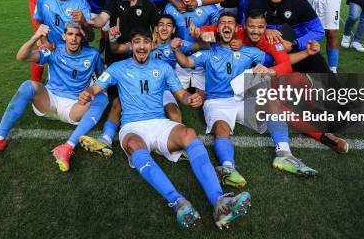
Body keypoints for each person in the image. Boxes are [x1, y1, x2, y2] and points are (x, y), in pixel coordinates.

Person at [79, 28, 251, 229]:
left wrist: (190, 98)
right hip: (132, 127)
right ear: (131, 46)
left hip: (160, 123)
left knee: (189, 133)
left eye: (145, 41)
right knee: (134, 144)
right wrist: (88, 93)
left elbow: (181, 94)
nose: (141, 46)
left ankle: (219, 201)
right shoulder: (118, 67)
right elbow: (96, 87)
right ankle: (178, 202)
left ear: (152, 45)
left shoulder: (163, 68)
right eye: (136, 41)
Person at [174, 13, 318, 187]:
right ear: (218, 29)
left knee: (271, 101)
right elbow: (185, 62)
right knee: (221, 127)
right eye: (222, 23)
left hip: (242, 99)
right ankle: (228, 168)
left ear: (236, 29)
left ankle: (284, 155)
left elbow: (282, 61)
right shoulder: (207, 54)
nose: (226, 26)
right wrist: (176, 50)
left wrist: (306, 53)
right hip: (217, 102)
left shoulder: (250, 52)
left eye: (230, 23)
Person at [0, 22, 108, 173]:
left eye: (78, 35)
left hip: (75, 107)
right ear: (64, 36)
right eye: (70, 34)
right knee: (28, 85)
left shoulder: (93, 54)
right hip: (49, 102)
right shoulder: (53, 50)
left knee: (102, 97)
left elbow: (101, 78)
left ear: (82, 38)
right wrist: (35, 37)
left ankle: (67, 147)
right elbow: (21, 57)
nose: (73, 39)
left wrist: (90, 90)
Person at [84, 0, 159, 156]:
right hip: (116, 56)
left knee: (132, 98)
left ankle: (111, 136)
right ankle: (110, 136)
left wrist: (147, 44)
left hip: (139, 57)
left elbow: (157, 32)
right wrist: (89, 22)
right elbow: (102, 20)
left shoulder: (149, 4)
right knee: (116, 99)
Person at [248, 0, 329, 73]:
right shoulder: (256, 3)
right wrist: (264, 30)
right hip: (267, 49)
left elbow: (318, 31)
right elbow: (246, 28)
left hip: (296, 48)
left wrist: (294, 44)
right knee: (252, 76)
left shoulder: (299, 3)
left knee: (323, 74)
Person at [164, 0, 220, 97]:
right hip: (179, 58)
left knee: (207, 97)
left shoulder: (210, 7)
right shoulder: (170, 8)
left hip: (202, 59)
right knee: (170, 97)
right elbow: (166, 35)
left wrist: (202, 33)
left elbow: (218, 35)